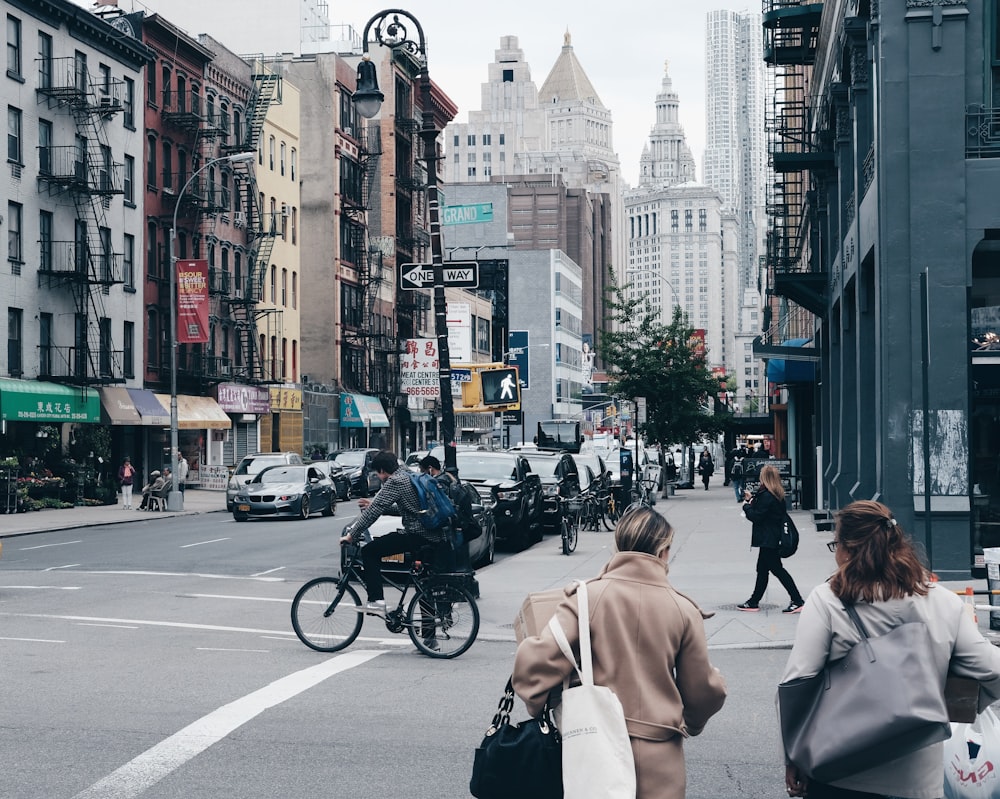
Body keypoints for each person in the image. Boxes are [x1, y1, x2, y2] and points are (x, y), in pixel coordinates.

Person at [782, 500, 1000, 799]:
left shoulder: (827, 600)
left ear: (847, 548)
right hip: (918, 779)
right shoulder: (944, 602)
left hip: (839, 772)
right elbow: (993, 670)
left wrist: (794, 756)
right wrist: (946, 703)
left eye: (836, 545)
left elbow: (798, 683)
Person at [512, 508, 728, 799]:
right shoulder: (684, 610)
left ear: (618, 546)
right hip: (661, 756)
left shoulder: (586, 599)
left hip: (595, 749)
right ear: (663, 552)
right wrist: (692, 723)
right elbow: (704, 691)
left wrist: (541, 703)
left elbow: (534, 666)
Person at [339, 450, 450, 619]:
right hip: (433, 536)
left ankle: (376, 601)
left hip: (416, 535)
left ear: (383, 470)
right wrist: (378, 507)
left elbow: (373, 512)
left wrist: (352, 535)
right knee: (423, 585)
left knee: (369, 551)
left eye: (378, 472)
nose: (378, 476)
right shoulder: (409, 476)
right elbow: (409, 509)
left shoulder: (395, 481)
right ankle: (429, 639)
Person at [737, 464, 805, 613]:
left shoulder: (767, 495)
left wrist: (746, 506)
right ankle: (754, 601)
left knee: (776, 570)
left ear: (764, 478)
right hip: (770, 538)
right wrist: (751, 500)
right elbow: (764, 511)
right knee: (762, 569)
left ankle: (797, 600)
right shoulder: (775, 494)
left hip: (769, 539)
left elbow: (757, 516)